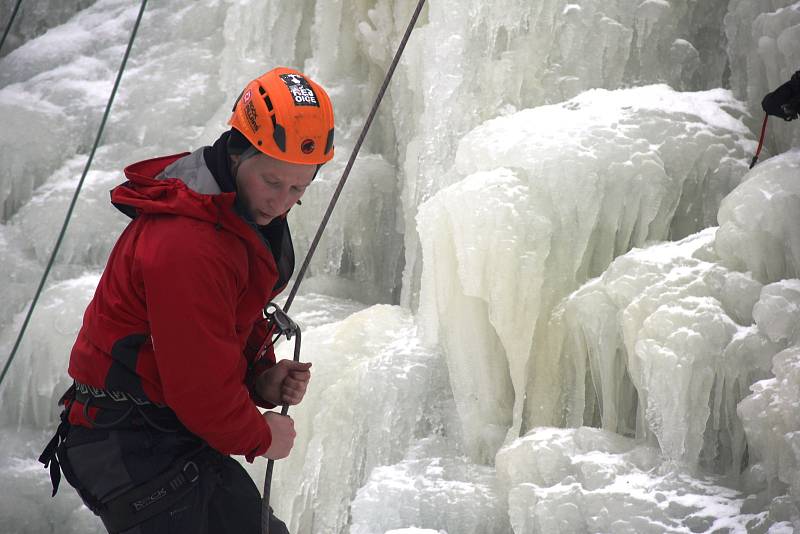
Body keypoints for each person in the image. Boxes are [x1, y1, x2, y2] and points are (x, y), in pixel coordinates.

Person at [38, 66, 335, 534]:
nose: (282, 202)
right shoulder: (189, 243)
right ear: (238, 154)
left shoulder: (229, 213)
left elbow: (221, 325)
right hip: (126, 441)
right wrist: (260, 435)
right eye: (273, 182)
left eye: (299, 188)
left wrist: (261, 380)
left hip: (166, 432)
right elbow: (196, 385)